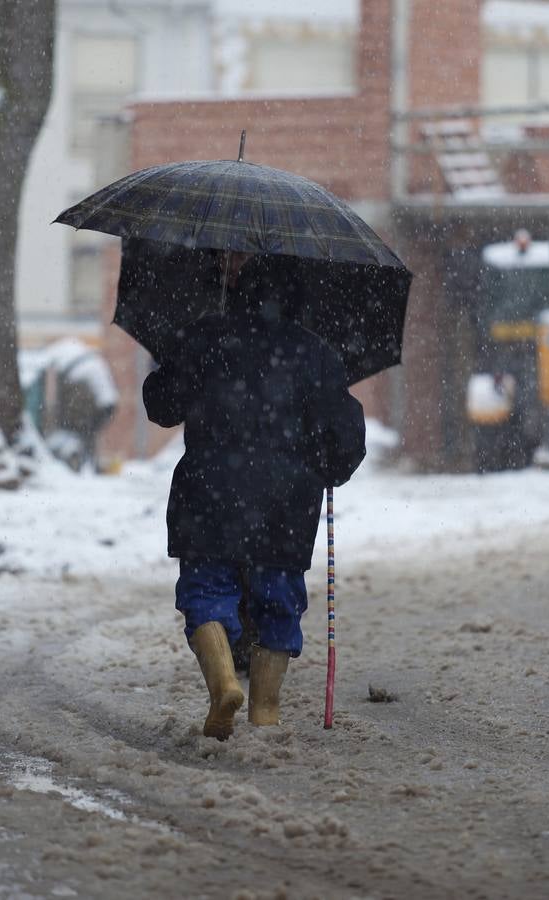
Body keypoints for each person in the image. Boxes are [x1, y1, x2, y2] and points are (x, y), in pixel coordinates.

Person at [143, 252, 365, 740]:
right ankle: (265, 710)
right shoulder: (316, 354)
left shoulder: (205, 338)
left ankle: (223, 682)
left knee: (205, 591)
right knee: (278, 601)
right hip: (286, 501)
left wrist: (178, 358)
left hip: (208, 491)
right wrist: (329, 466)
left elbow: (161, 405)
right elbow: (347, 436)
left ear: (237, 291)